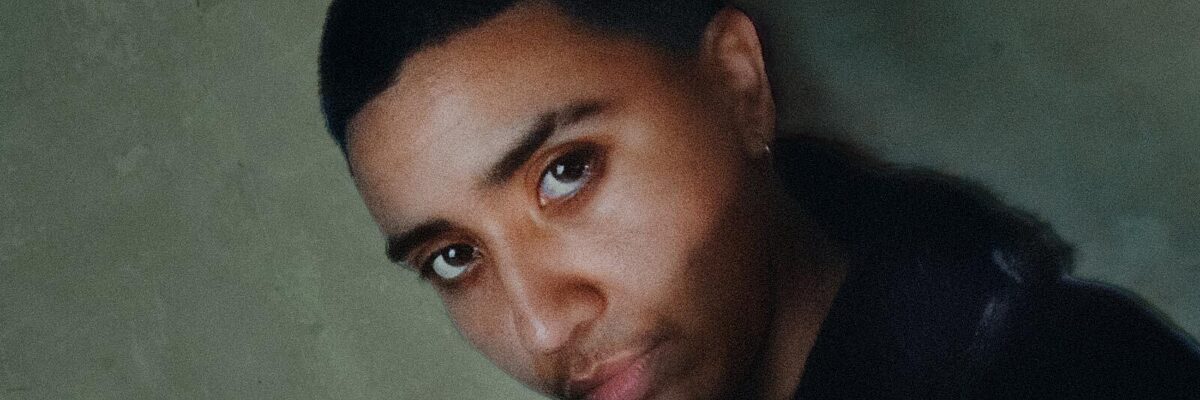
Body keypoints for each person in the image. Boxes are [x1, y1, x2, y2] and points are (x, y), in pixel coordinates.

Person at [317, 0, 1200, 398]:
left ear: (738, 87)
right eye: (455, 257)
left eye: (566, 171)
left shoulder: (1072, 375)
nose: (542, 327)